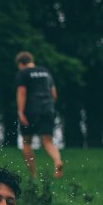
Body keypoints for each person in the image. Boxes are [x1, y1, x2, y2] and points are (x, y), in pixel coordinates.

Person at [15, 51, 63, 179]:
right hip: (48, 108)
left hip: (31, 109)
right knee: (47, 141)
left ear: (21, 64)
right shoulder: (45, 71)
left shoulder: (23, 73)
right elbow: (54, 94)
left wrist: (20, 111)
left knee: (27, 142)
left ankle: (33, 175)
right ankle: (57, 161)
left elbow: (22, 92)